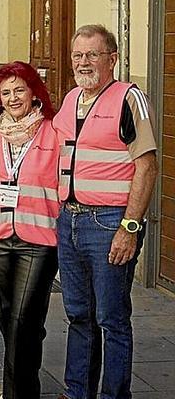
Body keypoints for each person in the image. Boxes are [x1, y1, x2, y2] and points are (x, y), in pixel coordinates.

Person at [53, 25, 157, 399]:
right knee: (79, 315)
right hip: (70, 219)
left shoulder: (129, 98)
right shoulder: (70, 99)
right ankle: (77, 391)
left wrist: (130, 226)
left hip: (110, 221)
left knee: (111, 318)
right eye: (78, 55)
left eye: (92, 54)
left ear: (111, 58)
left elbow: (147, 166)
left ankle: (114, 395)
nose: (84, 62)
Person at [0, 62, 60, 399]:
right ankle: (29, 387)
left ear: (34, 93)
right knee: (10, 319)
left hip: (37, 239)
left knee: (22, 321)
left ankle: (14, 393)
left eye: (19, 90)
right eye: (5, 92)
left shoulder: (53, 132)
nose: (12, 98)